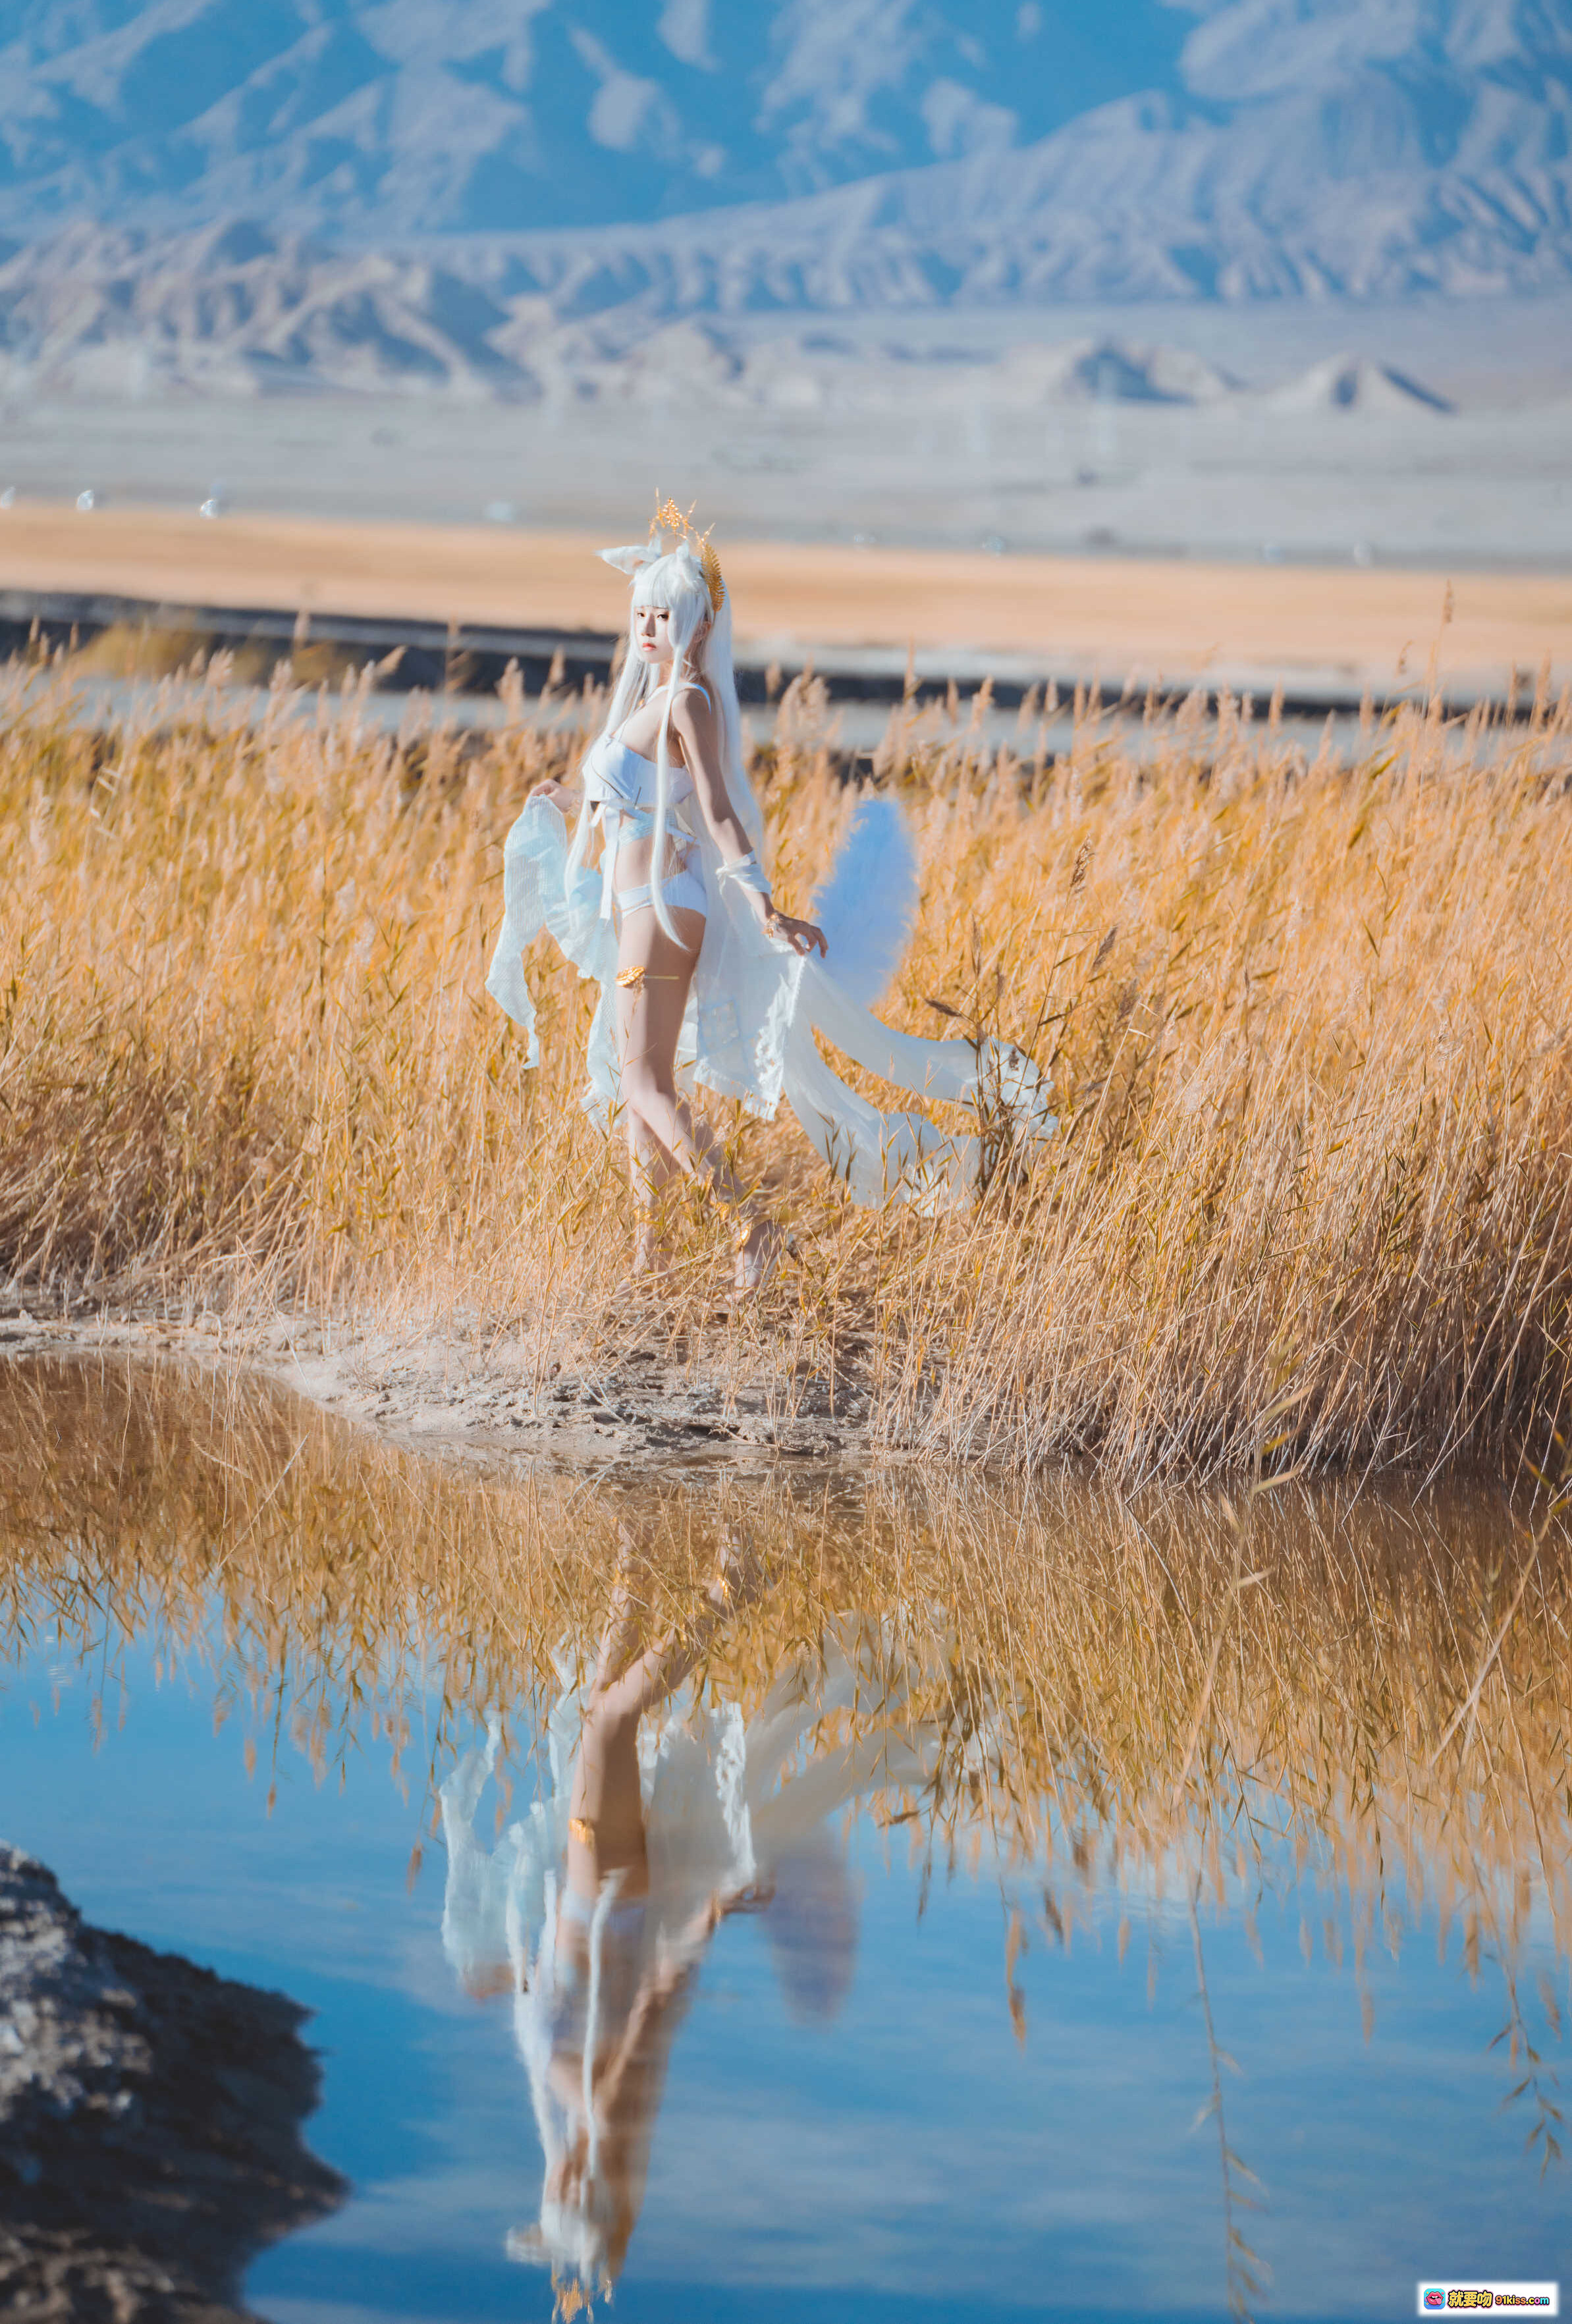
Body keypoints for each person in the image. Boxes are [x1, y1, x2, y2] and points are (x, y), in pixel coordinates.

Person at [486, 500, 1054, 1290]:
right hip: (639, 907)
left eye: (664, 614)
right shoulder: (647, 705)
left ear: (692, 625)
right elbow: (637, 801)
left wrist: (761, 905)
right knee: (635, 1086)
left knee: (645, 1082)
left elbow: (715, 810)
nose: (647, 627)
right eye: (641, 613)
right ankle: (648, 1264)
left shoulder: (687, 700)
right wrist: (561, 805)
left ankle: (749, 1224)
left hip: (661, 904)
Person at [437, 1552, 935, 2310]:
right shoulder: (594, 2109)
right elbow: (646, 2009)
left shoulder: (581, 2108)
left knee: (602, 1699)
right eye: (554, 2193)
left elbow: (570, 1995)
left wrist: (508, 1977)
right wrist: (705, 1917)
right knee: (610, 1717)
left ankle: (637, 1541)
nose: (548, 2178)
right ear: (570, 2182)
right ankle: (735, 1583)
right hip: (602, 1884)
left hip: (601, 1891)